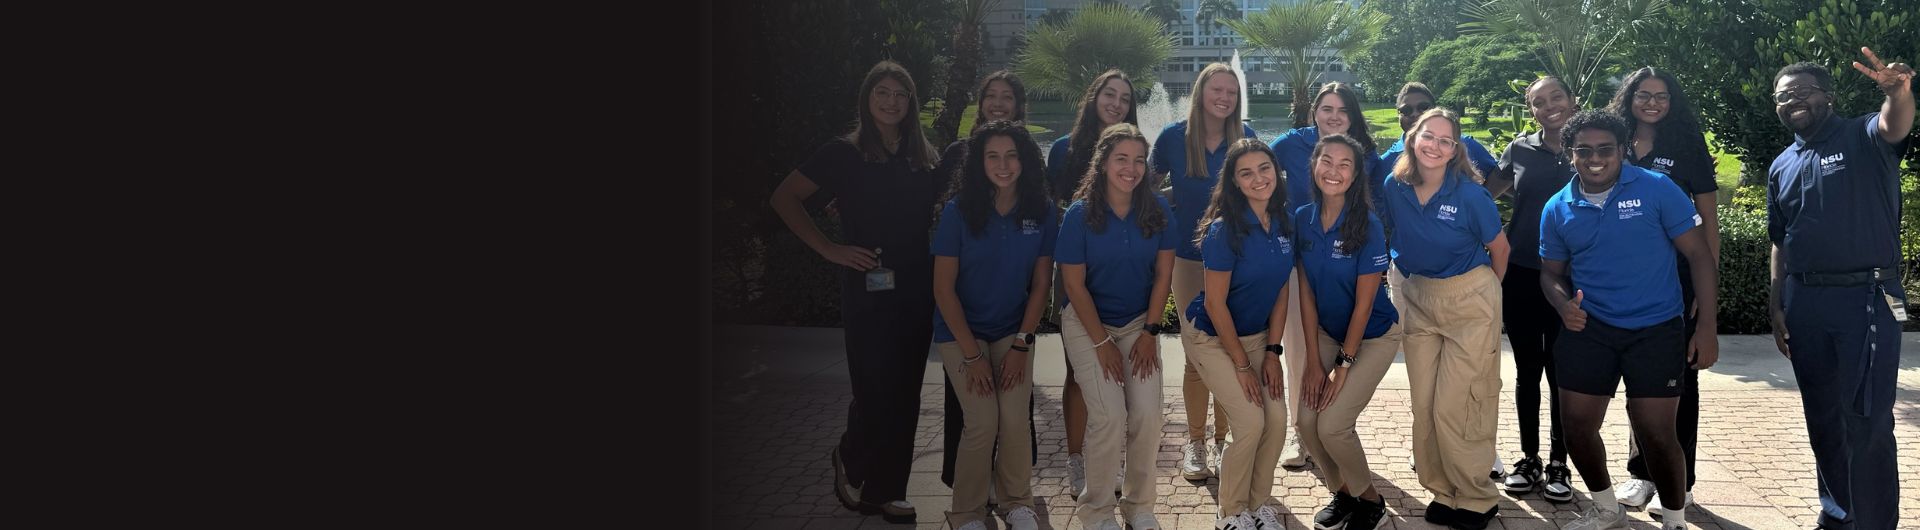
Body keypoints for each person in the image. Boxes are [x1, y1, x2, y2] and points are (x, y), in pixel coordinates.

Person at [768, 60, 943, 524]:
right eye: (882, 92)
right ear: (867, 99)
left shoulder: (921, 156)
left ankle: (886, 493)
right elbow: (784, 197)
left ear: (911, 103)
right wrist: (829, 248)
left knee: (905, 392)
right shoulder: (842, 153)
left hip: (915, 286)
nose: (891, 102)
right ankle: (851, 454)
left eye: (900, 94)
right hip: (868, 285)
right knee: (873, 386)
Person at [1538, 110, 1719, 530]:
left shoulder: (1657, 189)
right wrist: (1564, 305)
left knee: (1657, 434)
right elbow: (1551, 273)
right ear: (1570, 154)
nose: (1595, 158)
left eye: (1605, 149)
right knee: (1577, 429)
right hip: (1590, 328)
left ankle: (1674, 519)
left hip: (1656, 328)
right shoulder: (1557, 207)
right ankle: (1606, 510)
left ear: (1622, 150)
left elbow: (1698, 256)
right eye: (1583, 150)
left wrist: (1706, 327)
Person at [1768, 49, 1914, 530]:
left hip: (1867, 298)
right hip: (1806, 303)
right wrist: (1777, 303)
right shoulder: (1782, 165)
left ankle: (1873, 524)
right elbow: (1780, 241)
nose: (1794, 100)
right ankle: (1837, 515)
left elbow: (1894, 125)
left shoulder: (1863, 134)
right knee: (1824, 419)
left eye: (1804, 91)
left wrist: (1898, 92)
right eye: (1784, 95)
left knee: (1867, 422)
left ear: (1827, 96)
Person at [1382, 108, 1510, 530]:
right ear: (1412, 139)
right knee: (1426, 405)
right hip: (1419, 295)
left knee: (1462, 403)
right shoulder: (1394, 186)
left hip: (1469, 297)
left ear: (1456, 149)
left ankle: (1475, 497)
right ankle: (1442, 489)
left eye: (1445, 140)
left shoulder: (1471, 194)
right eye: (1428, 136)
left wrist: (1486, 295)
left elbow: (1500, 249)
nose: (1435, 146)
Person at [1602, 66, 1721, 514]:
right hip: (1625, 277)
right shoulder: (1614, 142)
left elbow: (1708, 220)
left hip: (1678, 277)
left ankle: (1680, 479)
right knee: (1639, 377)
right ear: (1629, 97)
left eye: (1662, 95)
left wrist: (1706, 287)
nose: (1652, 102)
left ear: (1673, 102)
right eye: (1643, 94)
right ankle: (1641, 473)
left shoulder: (1687, 146)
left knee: (1679, 380)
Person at [930, 120, 1055, 530]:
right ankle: (966, 512)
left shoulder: (1041, 209)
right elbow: (943, 289)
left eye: (1012, 155)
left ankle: (1017, 502)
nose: (1003, 165)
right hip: (961, 331)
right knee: (982, 421)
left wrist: (1022, 344)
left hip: (1011, 329)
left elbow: (1040, 285)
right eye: (993, 156)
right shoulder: (959, 211)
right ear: (979, 163)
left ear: (1025, 160)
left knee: (1015, 418)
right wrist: (972, 355)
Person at [1056, 123, 1173, 530]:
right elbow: (1073, 283)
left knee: (1146, 414)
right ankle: (1098, 511)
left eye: (1139, 160)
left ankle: (1139, 507)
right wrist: (1102, 341)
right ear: (1103, 162)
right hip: (1088, 322)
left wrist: (1150, 332)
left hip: (1140, 323)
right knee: (1107, 416)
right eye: (1121, 158)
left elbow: (1163, 276)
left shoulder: (1157, 210)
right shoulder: (1078, 214)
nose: (1131, 168)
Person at [1150, 63, 1258, 482]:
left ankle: (1222, 440)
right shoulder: (1175, 137)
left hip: (1236, 258)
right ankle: (1196, 443)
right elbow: (1148, 188)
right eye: (1218, 89)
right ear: (1201, 92)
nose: (1225, 97)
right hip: (1189, 259)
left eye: (1232, 91)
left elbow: (1264, 186)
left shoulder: (1245, 137)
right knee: (1198, 353)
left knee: (1233, 349)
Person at [1265, 81, 1380, 470]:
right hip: (1303, 258)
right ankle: (1304, 435)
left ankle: (1334, 428)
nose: (1334, 117)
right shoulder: (1290, 144)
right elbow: (1252, 168)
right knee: (1300, 348)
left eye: (1342, 111)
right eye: (1327, 109)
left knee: (1345, 344)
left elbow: (1376, 204)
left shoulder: (1363, 152)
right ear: (1313, 111)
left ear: (1352, 117)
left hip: (1348, 259)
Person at [1185, 138, 1296, 530]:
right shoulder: (1223, 230)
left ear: (1276, 172)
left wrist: (1272, 352)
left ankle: (1257, 503)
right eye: (1245, 173)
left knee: (1277, 420)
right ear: (1233, 182)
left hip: (1258, 337)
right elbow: (1216, 305)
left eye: (1264, 168)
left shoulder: (1284, 220)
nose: (1258, 178)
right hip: (1217, 340)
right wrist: (1243, 365)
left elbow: (1283, 288)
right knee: (1249, 422)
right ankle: (1231, 514)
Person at [1292, 134, 1400, 530]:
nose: (1334, 171)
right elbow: (1305, 291)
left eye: (1345, 164)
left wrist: (1343, 364)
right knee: (1305, 422)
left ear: (1355, 176)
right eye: (1327, 161)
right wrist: (1311, 362)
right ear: (1314, 165)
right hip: (1325, 332)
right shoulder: (1301, 218)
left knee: (1333, 425)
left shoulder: (1366, 225)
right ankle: (1344, 493)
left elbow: (1365, 302)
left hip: (1371, 337)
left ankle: (1371, 501)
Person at [1484, 76, 1579, 503]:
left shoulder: (1592, 146)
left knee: (1563, 372)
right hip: (1522, 271)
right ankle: (1530, 458)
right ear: (1532, 109)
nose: (1550, 106)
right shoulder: (1519, 149)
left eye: (1556, 97)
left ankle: (1561, 461)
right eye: (1539, 102)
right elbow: (1484, 195)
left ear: (1572, 99)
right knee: (1528, 372)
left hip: (1574, 278)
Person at [1047, 70, 1142, 495]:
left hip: (1123, 278)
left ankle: (1109, 461)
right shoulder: (1065, 150)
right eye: (1109, 94)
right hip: (1077, 273)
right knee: (1078, 375)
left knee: (1118, 383)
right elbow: (1055, 208)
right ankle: (1076, 460)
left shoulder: (1137, 151)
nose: (1116, 103)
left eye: (1124, 98)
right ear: (1094, 98)